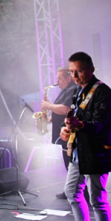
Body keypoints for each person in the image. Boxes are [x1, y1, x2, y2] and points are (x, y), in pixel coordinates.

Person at [58, 51, 111, 221]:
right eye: (72, 72)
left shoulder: (103, 92)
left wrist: (81, 125)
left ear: (91, 69)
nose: (75, 76)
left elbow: (101, 125)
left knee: (97, 199)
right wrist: (67, 131)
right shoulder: (78, 91)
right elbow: (76, 119)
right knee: (72, 192)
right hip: (80, 151)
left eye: (79, 71)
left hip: (97, 153)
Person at [40, 66, 78, 199]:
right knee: (68, 163)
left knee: (72, 164)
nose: (57, 81)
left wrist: (48, 106)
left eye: (59, 78)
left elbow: (65, 109)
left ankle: (75, 191)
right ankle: (70, 189)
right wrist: (50, 118)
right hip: (63, 133)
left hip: (69, 133)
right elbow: (59, 110)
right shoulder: (64, 90)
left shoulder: (72, 89)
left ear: (68, 79)